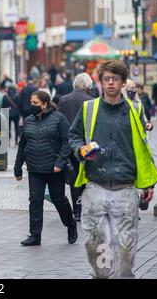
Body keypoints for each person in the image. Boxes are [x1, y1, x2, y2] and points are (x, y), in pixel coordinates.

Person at [69, 60, 157, 279]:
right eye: (106, 79)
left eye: (115, 79)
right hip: (95, 185)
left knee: (126, 246)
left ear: (122, 83)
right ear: (100, 83)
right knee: (96, 244)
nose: (110, 83)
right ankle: (101, 275)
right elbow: (74, 136)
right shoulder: (88, 108)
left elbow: (142, 147)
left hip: (125, 187)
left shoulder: (135, 109)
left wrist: (147, 182)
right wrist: (80, 150)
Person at [14, 91, 77, 247]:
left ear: (45, 104)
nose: (31, 106)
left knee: (59, 199)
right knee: (35, 201)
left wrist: (60, 163)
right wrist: (18, 167)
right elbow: (22, 145)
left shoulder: (59, 119)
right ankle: (35, 235)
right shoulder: (28, 121)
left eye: (35, 103)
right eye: (31, 102)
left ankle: (70, 224)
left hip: (54, 169)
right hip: (34, 168)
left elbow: (67, 142)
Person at [58, 73, 94, 221]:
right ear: (88, 86)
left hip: (68, 144)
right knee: (87, 176)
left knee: (73, 178)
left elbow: (58, 121)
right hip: (86, 145)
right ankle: (86, 208)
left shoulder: (63, 100)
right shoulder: (91, 101)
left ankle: (76, 210)